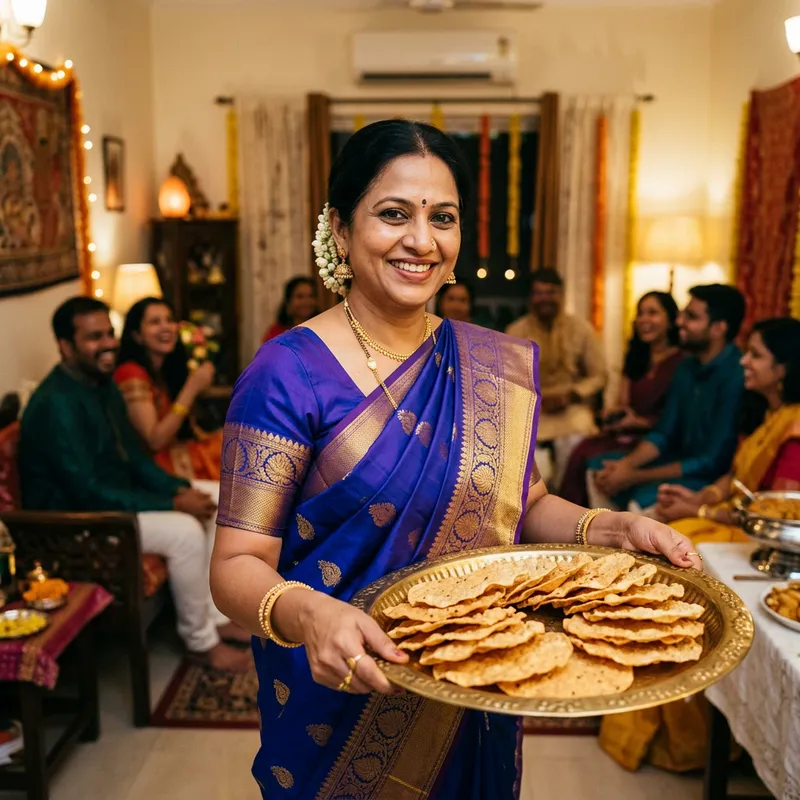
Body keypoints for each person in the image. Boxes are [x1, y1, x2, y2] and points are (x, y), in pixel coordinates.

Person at [208, 119, 701, 798]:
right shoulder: (287, 373)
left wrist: (612, 529)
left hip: (473, 688)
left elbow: (521, 504)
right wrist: (308, 613)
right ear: (340, 230)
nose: (422, 240)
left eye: (443, 217)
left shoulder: (487, 363)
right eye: (393, 214)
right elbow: (236, 565)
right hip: (337, 699)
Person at [600, 317, 800, 774]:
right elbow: (735, 479)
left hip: (753, 537)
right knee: (659, 546)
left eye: (756, 355)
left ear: (784, 369)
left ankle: (685, 736)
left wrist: (703, 513)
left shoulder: (795, 428)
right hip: (733, 522)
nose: (744, 361)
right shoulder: (770, 414)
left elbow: (777, 510)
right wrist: (697, 498)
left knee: (679, 569)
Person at [20, 297, 250, 672]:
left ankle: (217, 616)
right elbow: (85, 491)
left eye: (110, 333)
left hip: (115, 499)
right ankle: (201, 642)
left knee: (218, 496)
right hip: (74, 522)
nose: (109, 344)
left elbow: (135, 459)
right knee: (185, 533)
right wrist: (171, 504)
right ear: (65, 346)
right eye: (94, 337)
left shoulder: (102, 385)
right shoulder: (56, 404)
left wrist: (176, 487)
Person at [593, 284, 746, 511]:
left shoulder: (737, 374)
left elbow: (712, 460)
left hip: (709, 479)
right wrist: (625, 467)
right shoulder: (686, 367)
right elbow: (663, 433)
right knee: (598, 472)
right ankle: (600, 544)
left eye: (691, 317)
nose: (679, 322)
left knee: (639, 503)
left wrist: (635, 476)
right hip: (675, 460)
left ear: (718, 329)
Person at [560, 292, 683, 505]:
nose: (644, 320)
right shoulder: (637, 357)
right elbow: (623, 403)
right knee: (580, 451)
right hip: (626, 432)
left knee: (595, 462)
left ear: (671, 319)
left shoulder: (682, 363)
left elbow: (676, 419)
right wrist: (614, 414)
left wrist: (641, 423)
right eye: (641, 313)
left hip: (656, 438)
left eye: (653, 313)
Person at [506, 269, 607, 486]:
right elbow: (508, 381)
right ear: (531, 298)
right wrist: (534, 398)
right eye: (539, 293)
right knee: (530, 461)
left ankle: (568, 504)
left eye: (550, 292)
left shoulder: (580, 329)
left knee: (575, 442)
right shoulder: (516, 331)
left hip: (570, 407)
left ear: (561, 295)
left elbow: (599, 375)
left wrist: (573, 394)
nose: (545, 298)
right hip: (531, 410)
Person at [114, 297, 222, 481]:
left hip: (172, 453)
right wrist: (191, 388)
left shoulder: (161, 372)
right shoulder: (131, 373)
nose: (166, 327)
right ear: (137, 335)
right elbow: (155, 441)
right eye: (155, 322)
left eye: (170, 320)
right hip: (150, 467)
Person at [262, 276, 319, 343]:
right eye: (300, 296)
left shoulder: (322, 329)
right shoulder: (276, 334)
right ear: (288, 301)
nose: (306, 301)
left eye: (311, 296)